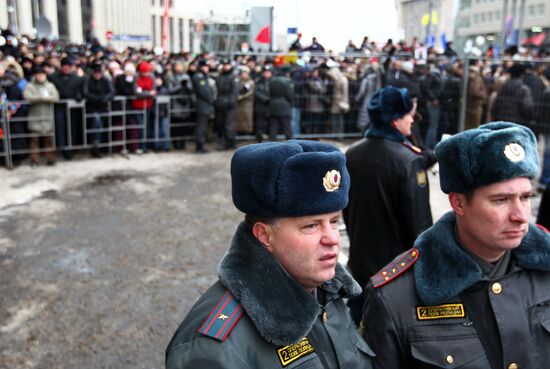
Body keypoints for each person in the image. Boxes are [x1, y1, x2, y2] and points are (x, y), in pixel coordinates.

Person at [166, 140, 375, 369]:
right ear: (265, 236)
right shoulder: (216, 349)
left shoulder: (326, 290)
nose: (333, 238)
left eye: (334, 221)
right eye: (311, 226)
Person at [361, 121, 550, 369]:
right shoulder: (395, 297)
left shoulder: (544, 270)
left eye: (526, 197)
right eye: (501, 200)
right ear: (458, 203)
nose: (521, 215)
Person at [343, 86, 433, 324]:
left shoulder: (351, 154)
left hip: (360, 264)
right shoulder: (409, 161)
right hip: (396, 271)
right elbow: (420, 225)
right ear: (395, 120)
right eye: (408, 114)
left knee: (359, 324)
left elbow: (345, 210)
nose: (413, 119)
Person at [23, 65, 60, 166]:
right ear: (35, 75)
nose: (41, 77)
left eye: (43, 75)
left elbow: (56, 97)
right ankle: (34, 160)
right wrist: (42, 98)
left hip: (47, 117)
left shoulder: (50, 85)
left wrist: (43, 98)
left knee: (48, 140)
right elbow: (27, 97)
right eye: (39, 75)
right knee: (34, 140)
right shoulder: (30, 86)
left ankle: (50, 159)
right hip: (34, 117)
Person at [191, 59, 214, 153]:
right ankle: (199, 146)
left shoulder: (203, 76)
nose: (207, 68)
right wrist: (211, 99)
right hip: (202, 105)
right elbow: (204, 91)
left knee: (203, 126)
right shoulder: (199, 77)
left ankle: (200, 145)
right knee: (201, 127)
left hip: (205, 105)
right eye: (205, 66)